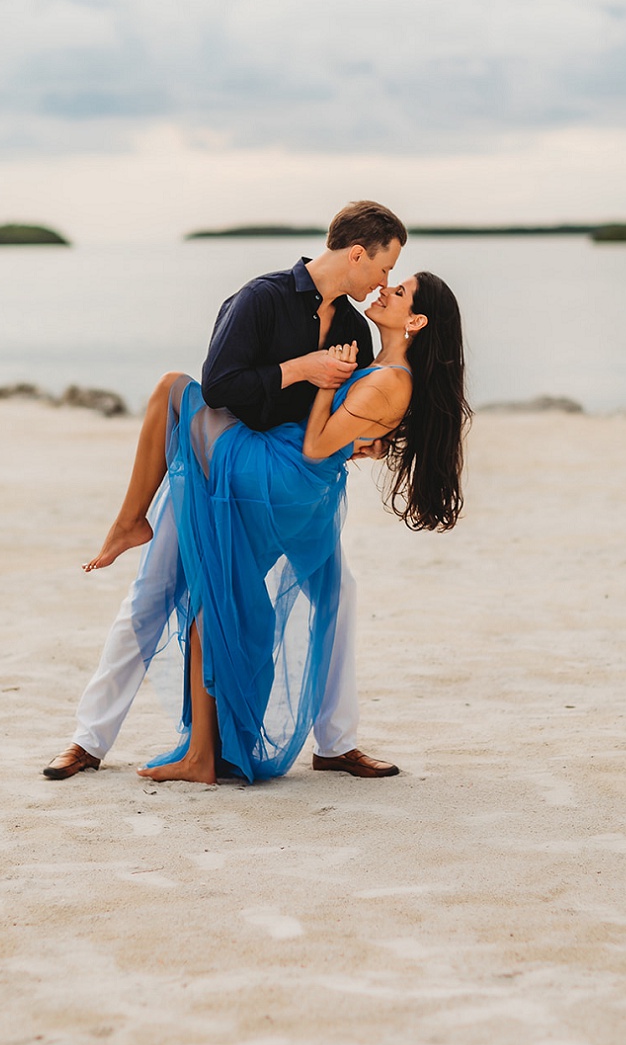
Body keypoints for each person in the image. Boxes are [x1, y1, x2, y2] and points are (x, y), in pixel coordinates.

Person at [43, 200, 409, 779]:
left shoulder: (353, 328)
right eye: (385, 267)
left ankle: (336, 744)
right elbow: (219, 385)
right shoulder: (261, 298)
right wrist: (302, 368)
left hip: (289, 485)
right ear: (358, 254)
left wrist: (366, 441)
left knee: (339, 595)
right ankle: (88, 741)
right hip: (222, 475)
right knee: (154, 592)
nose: (385, 280)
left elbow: (341, 414)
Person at [136, 268, 470, 784]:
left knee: (175, 390)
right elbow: (348, 434)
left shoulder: (388, 377)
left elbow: (317, 443)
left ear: (417, 321)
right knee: (229, 593)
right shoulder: (381, 366)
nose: (385, 288)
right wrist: (352, 419)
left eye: (399, 291)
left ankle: (206, 751)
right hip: (298, 484)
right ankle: (215, 747)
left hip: (280, 476)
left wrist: (323, 380)